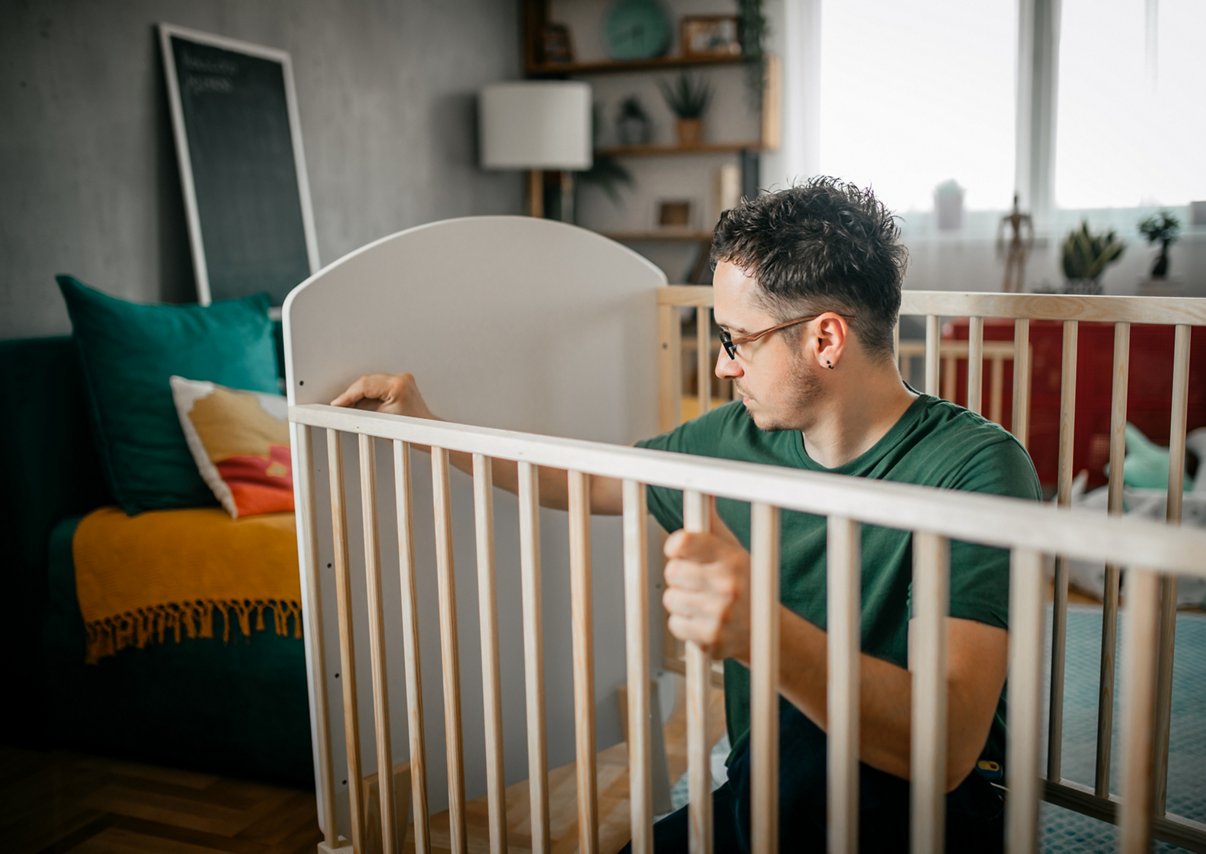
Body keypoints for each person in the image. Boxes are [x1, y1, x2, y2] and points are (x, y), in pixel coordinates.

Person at [332, 177, 1041, 851]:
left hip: (927, 810)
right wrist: (431, 429)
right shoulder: (733, 440)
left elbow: (947, 749)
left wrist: (760, 630)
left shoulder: (976, 468)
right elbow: (584, 482)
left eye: (738, 340)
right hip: (766, 796)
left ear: (825, 340)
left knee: (809, 757)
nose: (723, 366)